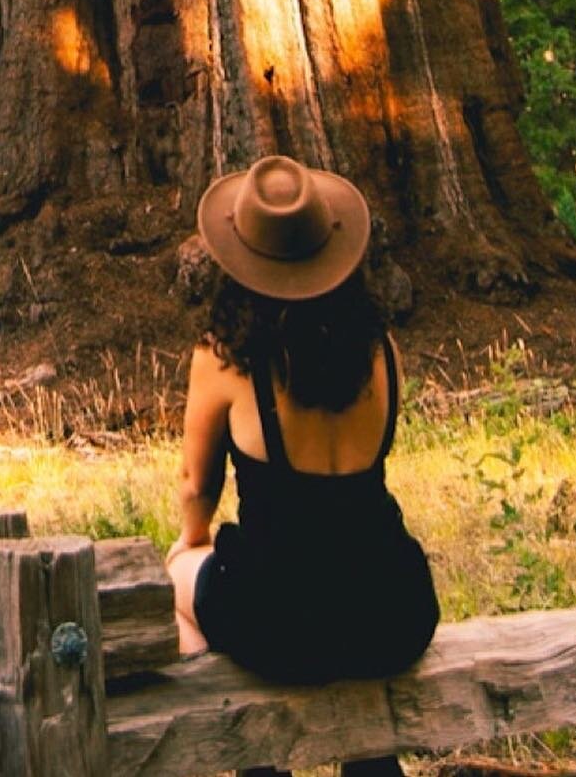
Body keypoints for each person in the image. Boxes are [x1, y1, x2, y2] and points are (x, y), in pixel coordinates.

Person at [165, 154, 439, 777]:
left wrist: (191, 544)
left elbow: (195, 484)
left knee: (179, 586)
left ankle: (257, 758)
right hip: (391, 605)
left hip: (283, 618)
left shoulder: (225, 360)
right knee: (343, 620)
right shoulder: (381, 349)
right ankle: (372, 766)